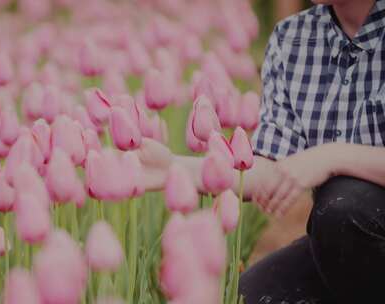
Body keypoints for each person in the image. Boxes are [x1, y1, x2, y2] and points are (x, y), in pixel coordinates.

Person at [138, 0, 385, 303]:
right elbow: (269, 167)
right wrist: (174, 168)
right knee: (247, 296)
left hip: (351, 222)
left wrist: (333, 157)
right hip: (343, 242)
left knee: (343, 206)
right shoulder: (292, 38)